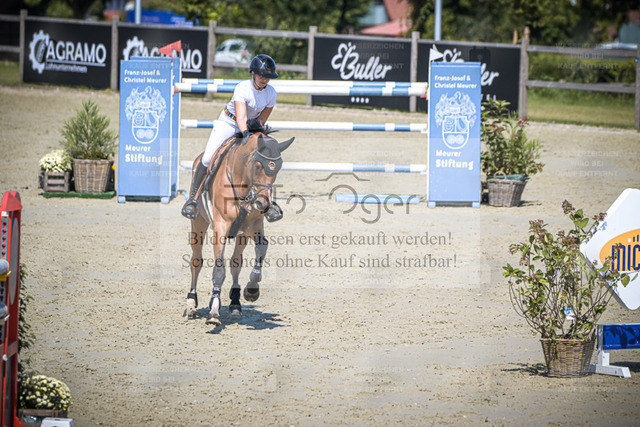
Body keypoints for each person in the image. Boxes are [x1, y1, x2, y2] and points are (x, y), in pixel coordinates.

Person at [181, 54, 281, 220]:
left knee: (264, 158)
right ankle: (193, 199)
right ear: (253, 73)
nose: (264, 80)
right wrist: (246, 135)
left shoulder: (271, 93)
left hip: (252, 126)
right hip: (229, 123)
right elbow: (240, 118)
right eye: (261, 76)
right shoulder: (242, 88)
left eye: (268, 77)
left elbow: (262, 120)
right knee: (207, 158)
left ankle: (268, 203)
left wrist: (255, 136)